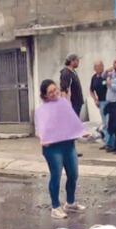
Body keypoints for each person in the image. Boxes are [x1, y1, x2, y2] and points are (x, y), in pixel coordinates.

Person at [34, 80, 87, 220]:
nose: (54, 93)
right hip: (52, 148)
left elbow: (73, 121)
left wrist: (81, 131)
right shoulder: (41, 110)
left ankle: (70, 203)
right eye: (50, 92)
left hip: (69, 145)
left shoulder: (64, 103)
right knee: (56, 176)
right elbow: (39, 130)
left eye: (55, 90)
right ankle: (55, 207)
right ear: (44, 95)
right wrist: (43, 139)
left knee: (73, 174)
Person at [89, 59, 109, 142]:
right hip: (100, 102)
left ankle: (110, 142)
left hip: (109, 102)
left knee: (108, 122)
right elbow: (91, 90)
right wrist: (95, 99)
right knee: (104, 122)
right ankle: (106, 141)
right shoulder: (94, 77)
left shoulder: (106, 76)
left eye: (100, 66)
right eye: (96, 67)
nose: (97, 68)